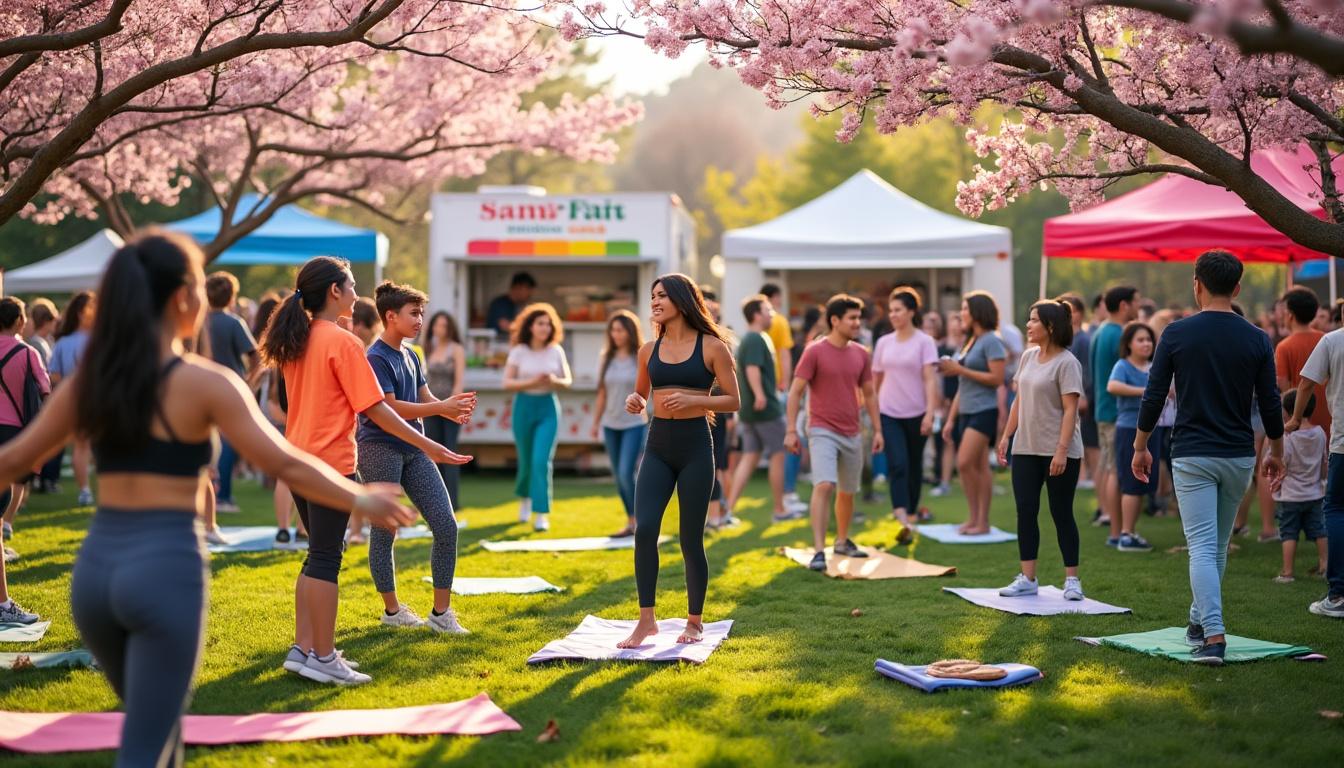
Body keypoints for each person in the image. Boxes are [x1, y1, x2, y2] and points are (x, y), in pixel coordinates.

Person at [0, 231, 417, 765]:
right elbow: (285, 464)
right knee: (152, 744)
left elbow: (12, 462)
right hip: (163, 573)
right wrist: (360, 500)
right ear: (183, 299)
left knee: (148, 734)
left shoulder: (93, 382)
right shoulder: (208, 383)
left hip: (94, 579)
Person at [259, 255, 462, 685]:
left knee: (315, 557)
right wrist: (433, 447)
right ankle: (324, 656)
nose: (357, 294)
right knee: (327, 560)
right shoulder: (343, 341)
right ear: (335, 292)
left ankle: (304, 648)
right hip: (330, 464)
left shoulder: (298, 337)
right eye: (351, 286)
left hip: (299, 460)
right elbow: (379, 411)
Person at [1133, 250, 1284, 664]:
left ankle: (1213, 636)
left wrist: (1139, 444)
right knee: (1214, 546)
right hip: (1238, 454)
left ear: (1196, 283)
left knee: (1202, 546)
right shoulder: (1256, 337)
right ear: (1236, 287)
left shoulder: (1177, 334)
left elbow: (1154, 394)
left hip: (1194, 453)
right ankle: (1199, 621)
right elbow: (1270, 404)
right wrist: (1276, 450)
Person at [617, 274, 739, 648]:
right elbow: (641, 394)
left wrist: (696, 401)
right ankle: (646, 621)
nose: (654, 302)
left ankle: (695, 621)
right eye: (652, 296)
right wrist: (635, 401)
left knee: (690, 538)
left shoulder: (713, 347)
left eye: (662, 295)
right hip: (657, 447)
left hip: (695, 449)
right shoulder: (647, 350)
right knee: (646, 530)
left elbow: (734, 400)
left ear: (683, 300)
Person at [358, 281, 476, 634]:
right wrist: (440, 406)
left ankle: (441, 615)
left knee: (446, 526)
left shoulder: (411, 354)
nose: (421, 319)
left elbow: (422, 394)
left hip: (414, 447)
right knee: (385, 530)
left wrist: (447, 411)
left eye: (422, 313)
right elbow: (389, 408)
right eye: (414, 313)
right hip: (379, 448)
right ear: (390, 317)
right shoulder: (375, 357)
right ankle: (392, 611)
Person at [786, 294, 883, 570]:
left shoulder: (861, 353)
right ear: (835, 320)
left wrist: (878, 430)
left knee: (847, 492)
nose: (857, 323)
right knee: (825, 484)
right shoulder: (814, 351)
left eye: (858, 318)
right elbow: (795, 391)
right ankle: (819, 550)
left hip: (853, 430)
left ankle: (841, 541)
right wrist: (791, 430)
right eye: (852, 318)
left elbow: (870, 394)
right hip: (821, 428)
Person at [996, 299, 1085, 600]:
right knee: (1025, 511)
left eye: (1034, 320)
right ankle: (1028, 577)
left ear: (1050, 326)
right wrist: (1007, 435)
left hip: (1061, 451)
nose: (1028, 326)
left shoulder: (1068, 363)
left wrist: (1061, 451)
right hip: (1026, 448)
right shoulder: (1027, 357)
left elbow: (1071, 411)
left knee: (1061, 512)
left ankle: (1072, 579)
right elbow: (1018, 401)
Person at [1286, 316, 1344, 618]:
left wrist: (1295, 418)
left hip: (1343, 443)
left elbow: (1306, 382)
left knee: (1336, 510)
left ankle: (1338, 594)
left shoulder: (1333, 340)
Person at [872, 287, 939, 542]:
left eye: (898, 310)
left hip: (918, 413)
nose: (893, 315)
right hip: (888, 412)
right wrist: (872, 412)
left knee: (914, 466)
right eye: (891, 311)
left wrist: (930, 414)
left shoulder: (925, 342)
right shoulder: (883, 343)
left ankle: (910, 515)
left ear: (911, 311)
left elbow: (930, 380)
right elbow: (875, 381)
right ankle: (901, 517)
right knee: (898, 464)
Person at [939, 291, 1006, 536]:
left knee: (964, 462)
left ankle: (982, 521)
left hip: (983, 410)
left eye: (965, 309)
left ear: (978, 312)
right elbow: (962, 384)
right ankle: (976, 519)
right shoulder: (970, 342)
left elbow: (997, 379)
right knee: (976, 466)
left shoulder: (991, 341)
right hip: (966, 410)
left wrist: (959, 369)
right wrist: (950, 419)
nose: (961, 314)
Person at [503, 303, 572, 532]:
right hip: (523, 407)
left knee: (541, 460)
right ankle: (524, 499)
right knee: (525, 460)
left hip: (548, 408)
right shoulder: (519, 351)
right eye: (540, 323)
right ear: (530, 326)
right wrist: (531, 382)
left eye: (548, 323)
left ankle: (541, 512)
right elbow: (507, 383)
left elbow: (567, 381)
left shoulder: (556, 350)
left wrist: (553, 381)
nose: (545, 327)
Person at [727, 294, 793, 523]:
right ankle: (780, 509)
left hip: (749, 410)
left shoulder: (752, 338)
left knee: (750, 456)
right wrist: (761, 395)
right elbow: (752, 368)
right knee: (778, 454)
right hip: (765, 408)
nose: (772, 314)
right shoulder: (756, 338)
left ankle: (728, 510)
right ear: (756, 314)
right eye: (768, 310)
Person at [205, 271, 256, 514]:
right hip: (231, 390)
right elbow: (255, 356)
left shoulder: (199, 322)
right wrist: (250, 381)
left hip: (201, 388)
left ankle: (207, 498)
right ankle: (223, 495)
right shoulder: (235, 323)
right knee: (226, 445)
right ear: (231, 297)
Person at [1092, 285, 1141, 542]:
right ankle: (1116, 529)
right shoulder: (1118, 334)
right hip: (1116, 413)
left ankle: (1113, 524)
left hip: (1104, 409)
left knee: (1108, 466)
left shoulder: (1101, 330)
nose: (1138, 308)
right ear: (1124, 305)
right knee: (1116, 470)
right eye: (1136, 303)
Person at [591, 310, 646, 537]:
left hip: (634, 424)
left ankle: (640, 521)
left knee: (626, 473)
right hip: (610, 424)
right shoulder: (606, 358)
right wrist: (595, 423)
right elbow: (602, 394)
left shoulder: (640, 357)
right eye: (613, 330)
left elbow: (646, 391)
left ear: (630, 332)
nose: (616, 334)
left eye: (620, 330)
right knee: (618, 476)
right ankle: (631, 521)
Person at [0, 299, 50, 545]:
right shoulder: (28, 352)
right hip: (15, 427)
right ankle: (6, 525)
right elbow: (45, 388)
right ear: (20, 321)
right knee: (17, 479)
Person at [1107, 322, 1157, 552]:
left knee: (1142, 484)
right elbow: (1113, 386)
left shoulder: (1154, 367)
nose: (1146, 343)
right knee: (1131, 483)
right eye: (1140, 339)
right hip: (1128, 430)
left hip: (1152, 431)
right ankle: (1125, 535)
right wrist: (1146, 392)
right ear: (1128, 344)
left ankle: (1131, 532)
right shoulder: (1123, 366)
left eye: (1148, 339)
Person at [1272, 390, 1327, 584]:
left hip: (1290, 496)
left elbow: (1281, 463)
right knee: (1320, 530)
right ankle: (1324, 566)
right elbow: (1323, 464)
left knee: (1288, 533)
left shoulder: (1287, 437)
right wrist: (1321, 480)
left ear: (1289, 411)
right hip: (1315, 494)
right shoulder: (1320, 433)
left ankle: (1287, 573)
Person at [49, 290, 96, 507]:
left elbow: (55, 377)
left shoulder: (62, 342)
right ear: (81, 313)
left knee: (82, 446)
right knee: (91, 446)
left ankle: (85, 490)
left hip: (74, 401)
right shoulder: (98, 340)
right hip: (96, 400)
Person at [422, 310, 467, 509]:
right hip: (431, 407)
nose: (440, 329)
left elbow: (459, 382)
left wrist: (455, 408)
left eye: (444, 325)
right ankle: (435, 503)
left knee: (450, 453)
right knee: (433, 454)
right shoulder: (427, 348)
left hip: (450, 407)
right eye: (437, 325)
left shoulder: (456, 349)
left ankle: (452, 504)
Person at [782, 305, 824, 514]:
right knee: (795, 445)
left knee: (801, 445)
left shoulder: (802, 342)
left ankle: (792, 490)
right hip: (804, 403)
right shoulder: (809, 345)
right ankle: (788, 492)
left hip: (806, 403)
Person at [1060, 294, 1099, 492]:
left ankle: (1086, 475)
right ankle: (1082, 475)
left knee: (1086, 440)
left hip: (1082, 397)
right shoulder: (1067, 339)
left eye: (1072, 310)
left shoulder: (1083, 339)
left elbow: (1086, 370)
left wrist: (1083, 395)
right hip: (1068, 398)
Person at [759, 283, 795, 391]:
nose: (781, 300)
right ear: (774, 297)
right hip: (775, 379)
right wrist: (786, 382)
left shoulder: (756, 320)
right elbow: (785, 354)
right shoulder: (780, 321)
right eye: (779, 297)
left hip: (757, 376)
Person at [487, 271, 537, 337]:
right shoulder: (501, 303)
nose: (530, 295)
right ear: (518, 287)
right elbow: (504, 325)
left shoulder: (518, 305)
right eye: (528, 291)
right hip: (497, 344)